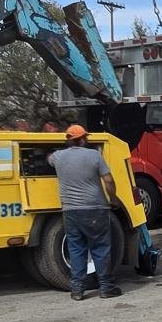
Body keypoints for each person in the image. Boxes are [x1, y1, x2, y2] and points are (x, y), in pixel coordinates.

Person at [48, 124, 122, 300]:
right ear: (82, 139)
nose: (87, 139)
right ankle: (106, 288)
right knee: (100, 248)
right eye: (85, 137)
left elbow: (48, 158)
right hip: (95, 209)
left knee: (76, 249)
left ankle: (77, 290)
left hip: (70, 211)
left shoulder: (58, 157)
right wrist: (113, 198)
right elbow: (109, 181)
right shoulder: (95, 155)